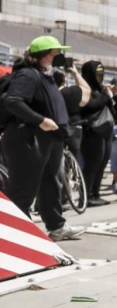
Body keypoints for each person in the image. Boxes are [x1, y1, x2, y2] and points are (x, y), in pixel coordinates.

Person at [2, 36, 84, 241]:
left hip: (49, 139)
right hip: (29, 139)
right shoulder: (28, 74)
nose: (57, 57)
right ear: (43, 55)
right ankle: (15, 234)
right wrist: (40, 120)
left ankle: (56, 226)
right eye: (54, 53)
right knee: (23, 188)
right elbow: (13, 101)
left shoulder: (44, 75)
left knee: (51, 185)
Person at [79, 61, 117, 207]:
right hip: (91, 132)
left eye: (101, 75)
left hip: (106, 132)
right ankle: (86, 196)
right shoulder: (84, 90)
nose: (100, 78)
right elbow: (91, 106)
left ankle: (95, 194)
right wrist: (106, 96)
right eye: (97, 75)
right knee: (92, 165)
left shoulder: (102, 92)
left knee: (102, 164)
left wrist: (116, 97)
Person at [52, 64, 90, 161]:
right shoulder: (72, 92)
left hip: (54, 130)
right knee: (73, 159)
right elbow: (87, 90)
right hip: (74, 128)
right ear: (64, 80)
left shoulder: (48, 94)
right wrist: (75, 74)